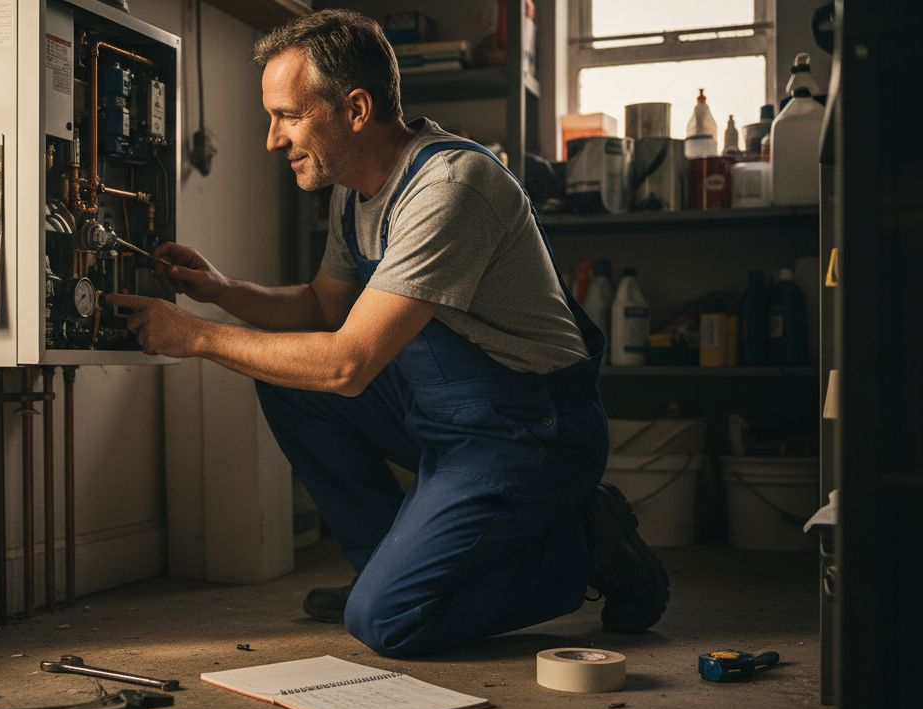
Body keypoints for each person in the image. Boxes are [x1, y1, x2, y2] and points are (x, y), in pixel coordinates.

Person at [105, 9, 667, 657]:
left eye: (288, 115)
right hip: (446, 412)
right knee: (287, 384)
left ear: (357, 108)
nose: (271, 139)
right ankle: (382, 564)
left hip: (531, 430)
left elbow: (348, 363)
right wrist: (220, 291)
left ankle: (587, 544)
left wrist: (197, 337)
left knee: (390, 622)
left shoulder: (450, 188)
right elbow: (321, 309)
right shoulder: (355, 189)